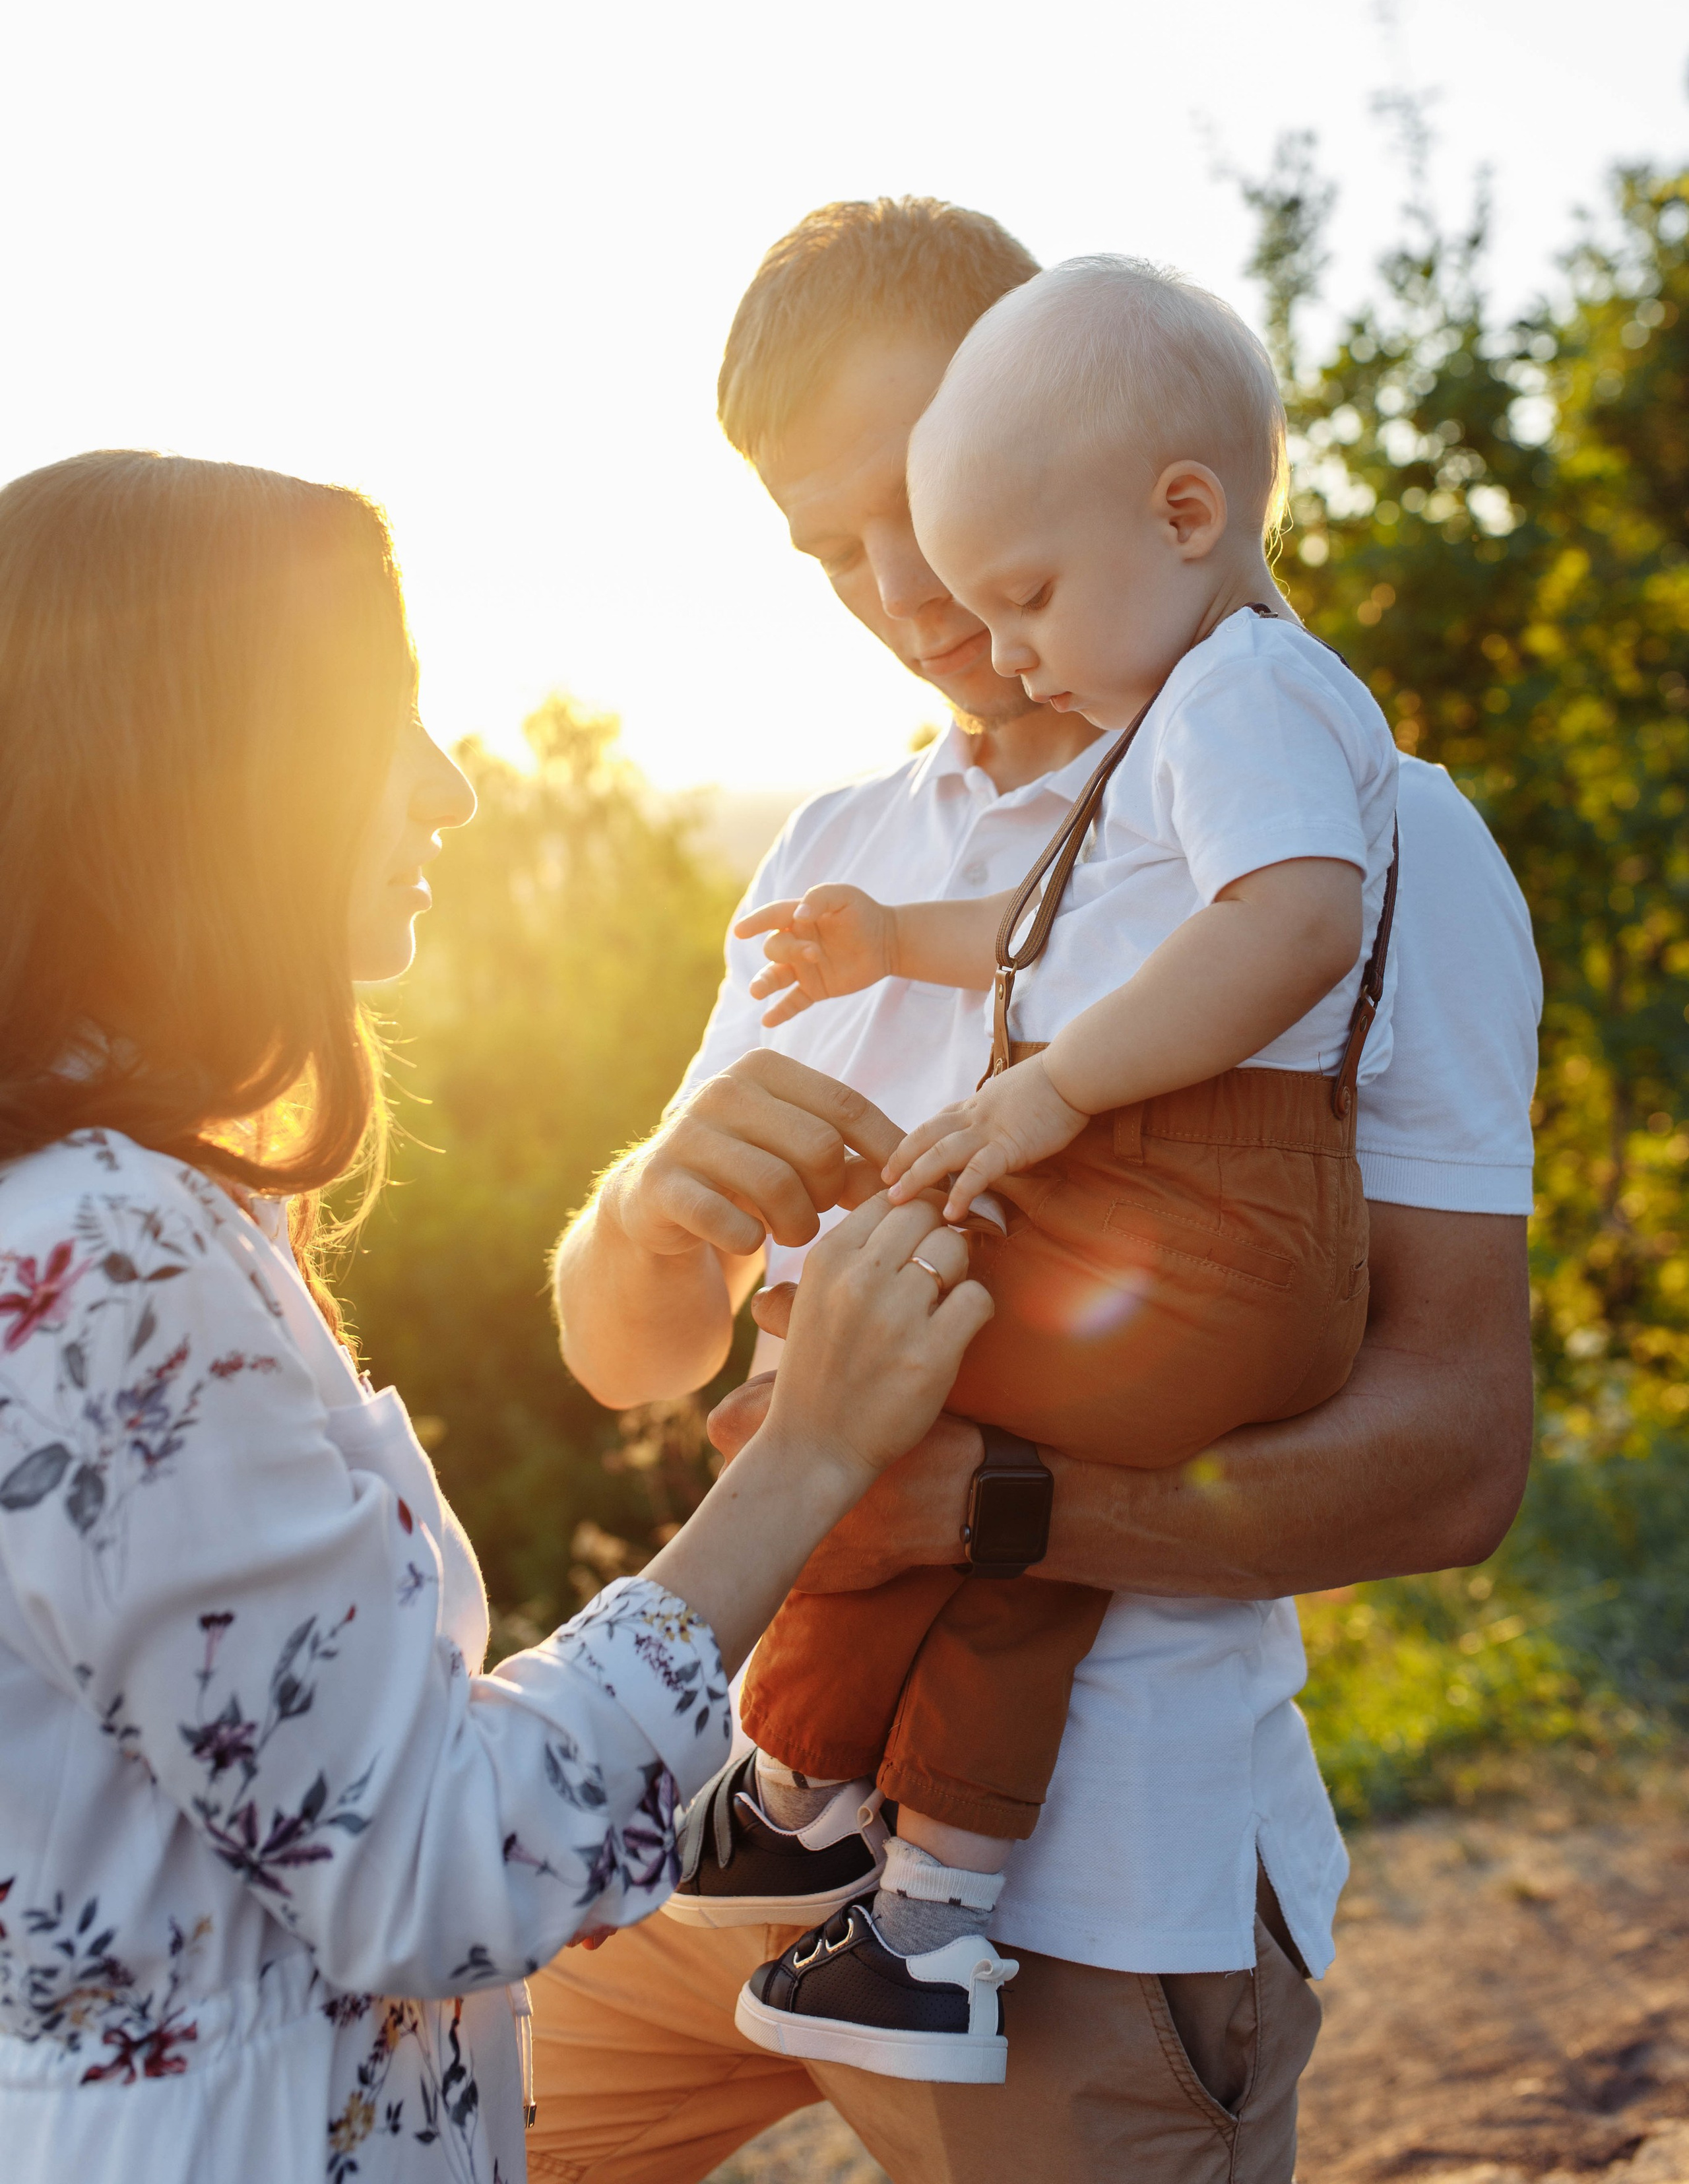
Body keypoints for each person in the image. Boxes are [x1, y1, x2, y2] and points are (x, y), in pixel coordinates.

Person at [536, 199, 1541, 2184]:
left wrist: (1002, 1506)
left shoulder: (1364, 842)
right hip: (711, 1823)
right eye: (829, 548)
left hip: (1090, 1910)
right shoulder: (836, 859)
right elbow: (628, 1358)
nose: (900, 586)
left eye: (916, 498)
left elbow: (1457, 1462)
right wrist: (648, 1209)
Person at [0, 448, 994, 2184]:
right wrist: (809, 1456)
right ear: (206, 771)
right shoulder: (110, 1262)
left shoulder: (116, 1213)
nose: (448, 788)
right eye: (381, 721)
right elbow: (428, 1869)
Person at [719, 256, 1400, 2080]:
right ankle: (927, 1915)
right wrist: (890, 944)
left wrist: (1049, 1096)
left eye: (1023, 593)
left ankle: (793, 1783)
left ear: (1181, 514)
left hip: (1213, 1214)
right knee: (1002, 1533)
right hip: (1204, 1228)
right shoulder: (1176, 731)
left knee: (866, 1373)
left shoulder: (1245, 696)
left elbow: (1296, 923)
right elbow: (1055, 927)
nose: (999, 645)